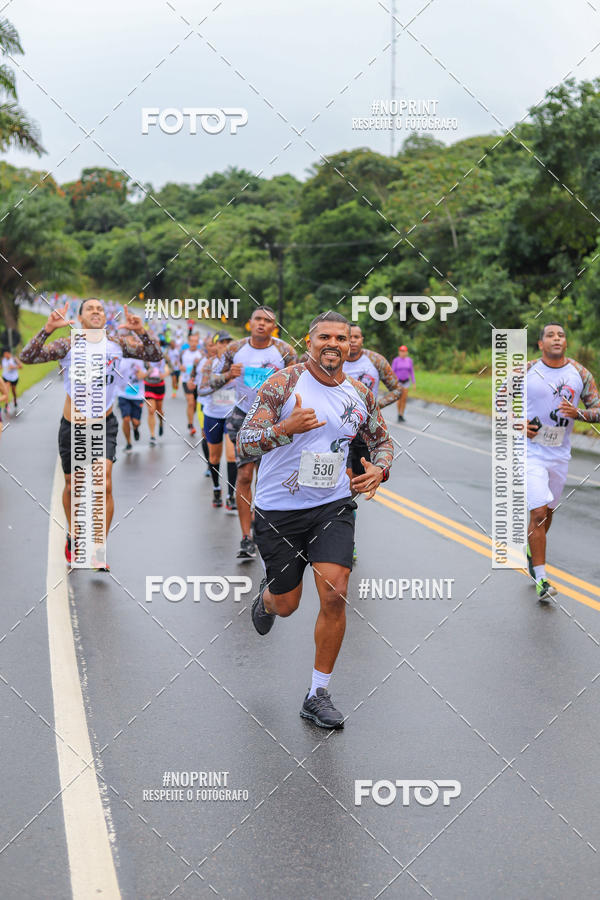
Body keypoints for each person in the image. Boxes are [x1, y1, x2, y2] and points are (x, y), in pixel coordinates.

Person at [237, 311, 393, 728]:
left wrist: (379, 469)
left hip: (333, 505)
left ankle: (317, 693)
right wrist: (284, 427)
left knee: (335, 590)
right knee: (288, 604)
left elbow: (382, 441)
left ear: (349, 345)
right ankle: (268, 600)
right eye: (324, 336)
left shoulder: (360, 391)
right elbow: (245, 443)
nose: (333, 343)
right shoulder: (283, 383)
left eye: (341, 338)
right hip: (279, 510)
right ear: (309, 341)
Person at [20, 299, 161, 569]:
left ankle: (98, 549)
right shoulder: (69, 344)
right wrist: (47, 329)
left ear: (105, 316)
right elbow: (27, 357)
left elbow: (155, 356)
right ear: (81, 318)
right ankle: (74, 535)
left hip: (103, 424)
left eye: (100, 309)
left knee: (104, 484)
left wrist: (142, 331)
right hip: (72, 425)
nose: (96, 312)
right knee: (73, 486)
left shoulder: (117, 343)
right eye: (90, 309)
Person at [210, 306, 298, 560]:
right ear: (250, 323)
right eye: (258, 319)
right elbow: (208, 381)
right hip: (242, 417)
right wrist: (228, 374)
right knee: (245, 476)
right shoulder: (235, 349)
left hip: (274, 419)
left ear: (274, 326)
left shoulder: (284, 351)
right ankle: (247, 537)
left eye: (267, 321)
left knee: (268, 477)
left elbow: (299, 381)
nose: (262, 324)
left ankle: (266, 531)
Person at [526, 323, 600, 601]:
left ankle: (532, 549)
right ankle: (542, 578)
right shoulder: (525, 369)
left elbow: (598, 409)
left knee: (549, 511)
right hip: (530, 450)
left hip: (559, 454)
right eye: (550, 335)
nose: (556, 338)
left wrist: (578, 413)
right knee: (538, 512)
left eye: (561, 335)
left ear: (566, 343)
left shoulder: (580, 373)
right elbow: (500, 403)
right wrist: (518, 423)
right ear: (540, 344)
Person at [343, 325, 402, 561]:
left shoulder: (375, 361)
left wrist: (374, 406)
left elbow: (397, 389)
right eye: (349, 338)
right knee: (343, 484)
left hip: (365, 433)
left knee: (355, 486)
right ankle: (347, 542)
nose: (353, 342)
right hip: (340, 433)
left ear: (362, 339)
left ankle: (345, 532)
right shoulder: (334, 360)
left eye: (357, 337)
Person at [195, 330, 237, 509]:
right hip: (212, 414)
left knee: (232, 455)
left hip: (231, 414)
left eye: (229, 342)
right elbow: (201, 389)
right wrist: (221, 381)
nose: (226, 346)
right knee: (214, 456)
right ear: (216, 345)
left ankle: (231, 495)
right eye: (222, 343)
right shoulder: (209, 364)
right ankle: (216, 488)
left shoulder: (237, 365)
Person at [116, 353, 146, 450]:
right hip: (123, 394)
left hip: (137, 394)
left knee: (136, 422)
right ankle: (128, 443)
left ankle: (136, 428)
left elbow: (144, 374)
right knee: (126, 419)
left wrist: (140, 372)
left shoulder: (140, 359)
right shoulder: (119, 359)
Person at [181, 333, 205, 437]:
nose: (194, 343)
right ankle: (191, 425)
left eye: (196, 341)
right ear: (189, 342)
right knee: (190, 402)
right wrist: (180, 368)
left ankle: (194, 419)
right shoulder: (183, 353)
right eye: (192, 341)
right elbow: (178, 364)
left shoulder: (201, 354)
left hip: (198, 383)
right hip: (187, 381)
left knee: (196, 405)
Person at [144, 357, 167, 446]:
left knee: (159, 410)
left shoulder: (162, 355)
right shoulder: (144, 356)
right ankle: (152, 436)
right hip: (148, 385)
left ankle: (161, 422)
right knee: (151, 410)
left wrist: (165, 374)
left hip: (159, 386)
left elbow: (170, 367)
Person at [391, 345, 415, 422]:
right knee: (399, 399)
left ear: (406, 352)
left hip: (406, 382)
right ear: (399, 352)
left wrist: (413, 382)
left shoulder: (409, 361)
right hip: (398, 382)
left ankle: (402, 414)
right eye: (401, 351)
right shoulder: (396, 360)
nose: (402, 353)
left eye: (404, 351)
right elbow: (392, 372)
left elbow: (411, 372)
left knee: (404, 399)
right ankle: (398, 413)